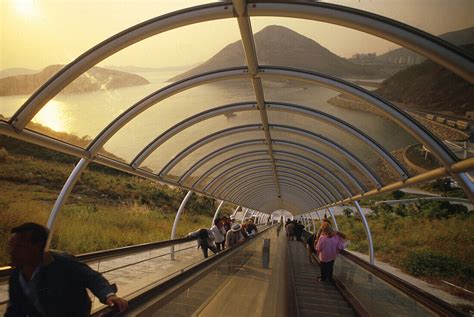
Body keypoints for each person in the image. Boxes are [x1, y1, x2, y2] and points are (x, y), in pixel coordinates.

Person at [6, 222, 128, 317]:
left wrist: (109, 296)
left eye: (19, 246)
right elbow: (15, 308)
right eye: (10, 246)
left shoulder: (61, 263)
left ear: (38, 245)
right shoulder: (17, 275)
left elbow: (91, 277)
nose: (11, 251)